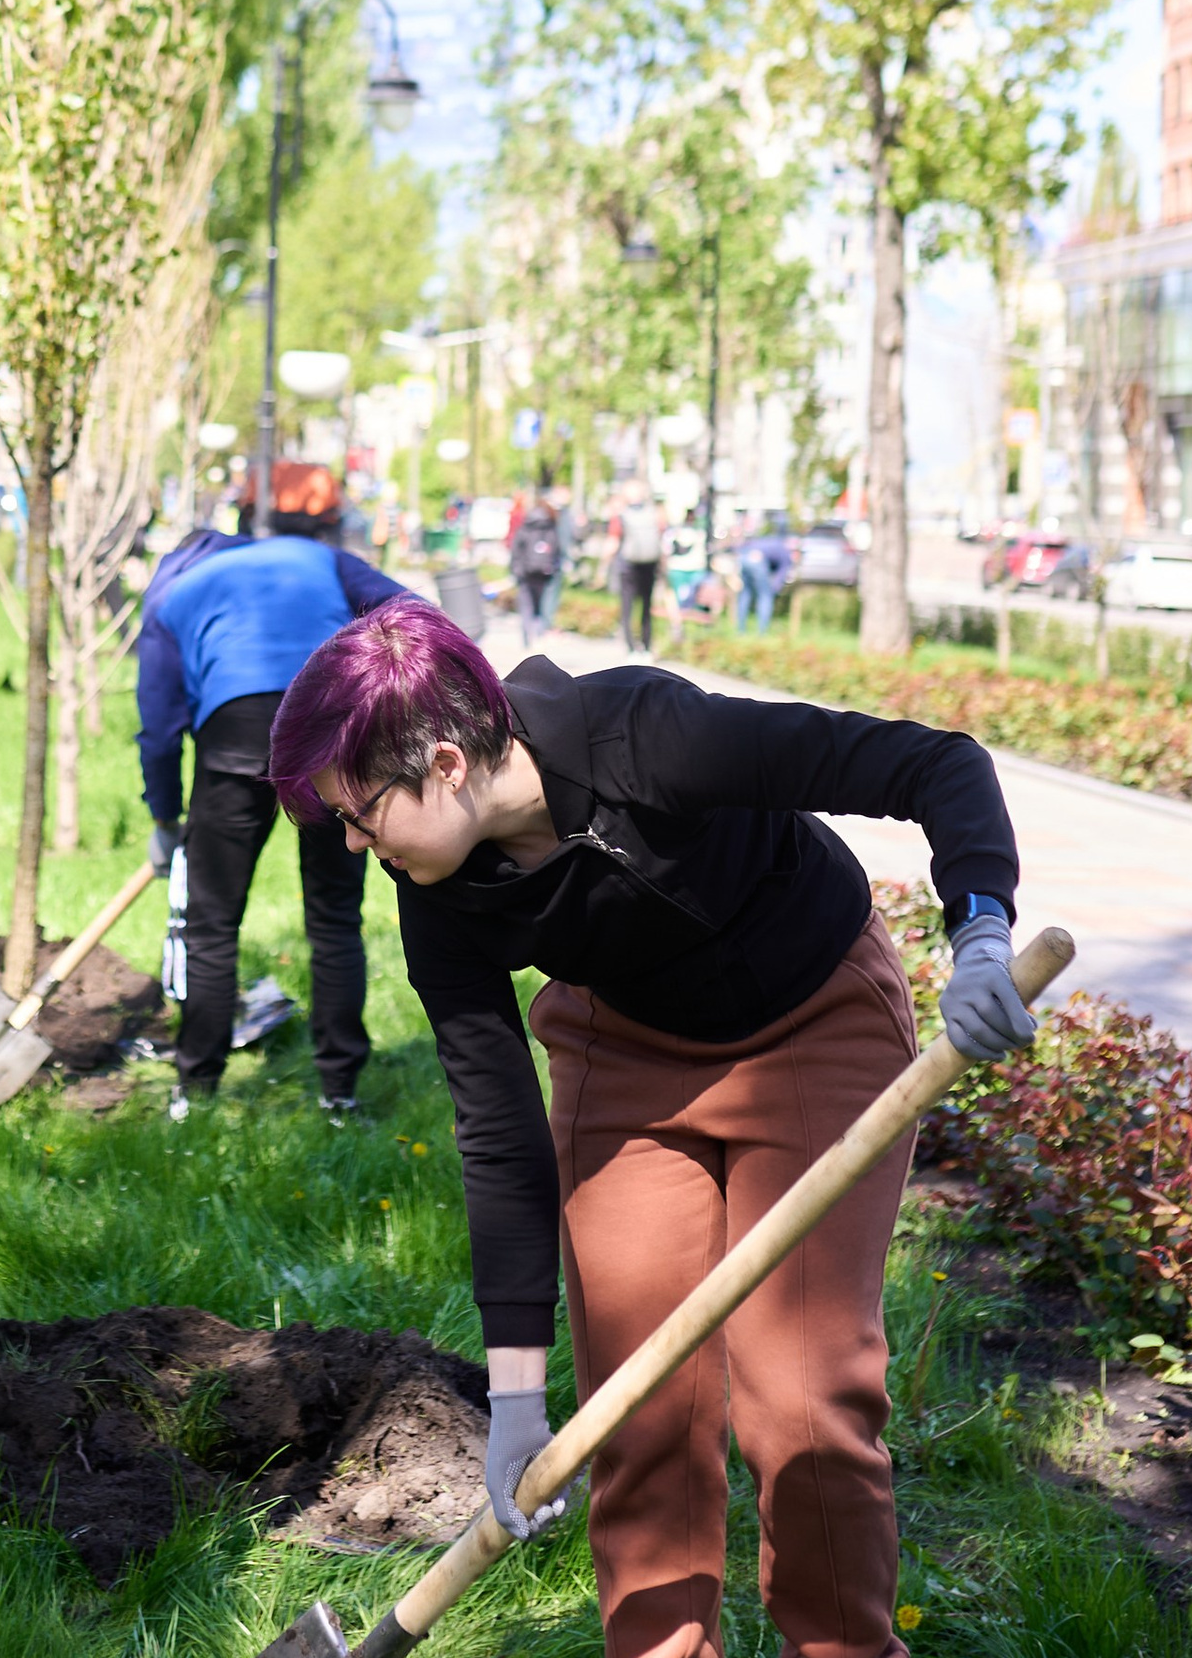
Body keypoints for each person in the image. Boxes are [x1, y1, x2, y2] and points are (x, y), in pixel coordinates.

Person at [267, 601, 1035, 1658]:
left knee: (803, 1402)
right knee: (637, 1417)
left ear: (444, 761)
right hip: (624, 1050)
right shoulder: (434, 894)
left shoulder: (645, 736)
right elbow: (497, 1134)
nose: (354, 844)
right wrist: (516, 1398)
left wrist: (981, 932)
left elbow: (930, 764)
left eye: (360, 815)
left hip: (814, 1019)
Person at [134, 460, 412, 1123]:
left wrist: (165, 816)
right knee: (335, 920)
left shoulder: (176, 590)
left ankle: (193, 1092)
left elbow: (159, 727)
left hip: (230, 748)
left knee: (210, 925)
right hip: (328, 744)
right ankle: (340, 1092)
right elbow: (416, 615)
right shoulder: (330, 566)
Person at [506, 493, 562, 646]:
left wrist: (514, 569)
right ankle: (540, 633)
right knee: (542, 603)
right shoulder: (551, 527)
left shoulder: (525, 526)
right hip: (545, 572)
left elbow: (516, 549)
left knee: (526, 604)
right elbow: (557, 549)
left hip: (525, 572)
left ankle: (526, 636)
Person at [612, 482, 662, 654]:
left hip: (628, 565)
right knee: (647, 606)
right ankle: (646, 645)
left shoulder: (621, 515)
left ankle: (631, 647)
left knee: (627, 606)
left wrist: (603, 567)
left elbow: (613, 541)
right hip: (649, 564)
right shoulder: (653, 513)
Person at [736, 520, 794, 635]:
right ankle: (762, 632)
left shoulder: (770, 539)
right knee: (766, 596)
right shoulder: (785, 552)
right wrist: (774, 589)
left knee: (745, 593)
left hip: (744, 558)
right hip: (758, 560)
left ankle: (740, 630)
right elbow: (781, 575)